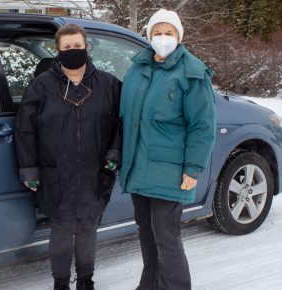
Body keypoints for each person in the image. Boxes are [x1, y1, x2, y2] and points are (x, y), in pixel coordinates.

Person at [14, 24, 122, 290]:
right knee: (61, 230)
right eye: (67, 47)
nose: (73, 51)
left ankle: (86, 280)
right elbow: (25, 130)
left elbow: (123, 123)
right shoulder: (41, 86)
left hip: (95, 172)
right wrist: (28, 167)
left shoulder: (109, 85)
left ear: (85, 46)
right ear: (57, 50)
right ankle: (60, 283)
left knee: (87, 229)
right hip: (55, 173)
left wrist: (115, 151)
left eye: (77, 46)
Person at [119, 9, 216, 290]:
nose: (163, 38)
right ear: (149, 36)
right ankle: (149, 284)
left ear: (179, 36)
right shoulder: (137, 67)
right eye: (157, 32)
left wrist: (193, 168)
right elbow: (128, 117)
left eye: (169, 33)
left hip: (170, 171)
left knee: (166, 237)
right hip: (139, 167)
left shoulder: (191, 72)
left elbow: (203, 126)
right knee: (147, 233)